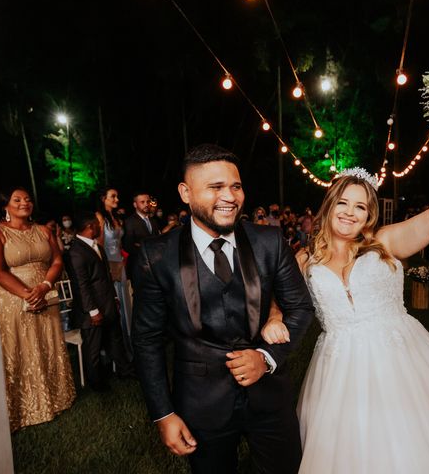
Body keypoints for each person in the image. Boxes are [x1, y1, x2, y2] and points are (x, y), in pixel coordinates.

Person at [263, 118, 429, 473]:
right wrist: (275, 316)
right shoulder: (305, 258)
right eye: (343, 203)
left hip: (400, 356)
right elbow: (279, 295)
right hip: (339, 369)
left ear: (369, 214)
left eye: (360, 206)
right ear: (329, 205)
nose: (350, 213)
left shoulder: (384, 242)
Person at [131, 144, 315, 474]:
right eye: (215, 187)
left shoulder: (269, 242)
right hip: (201, 402)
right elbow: (147, 341)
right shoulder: (155, 255)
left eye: (236, 186)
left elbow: (301, 306)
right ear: (185, 193)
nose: (229, 196)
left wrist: (266, 357)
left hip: (270, 399)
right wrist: (163, 413)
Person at [0, 187, 75, 431]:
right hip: (13, 299)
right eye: (16, 199)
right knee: (20, 348)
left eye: (27, 199)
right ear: (5, 205)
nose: (24, 203)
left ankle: (55, 398)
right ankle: (22, 409)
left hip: (45, 294)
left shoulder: (43, 230)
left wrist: (45, 286)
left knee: (46, 344)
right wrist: (28, 294)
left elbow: (57, 260)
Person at [64, 211, 134, 391]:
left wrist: (114, 297)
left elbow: (105, 277)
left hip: (108, 303)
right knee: (93, 348)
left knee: (115, 339)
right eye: (98, 225)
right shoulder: (75, 252)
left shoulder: (98, 247)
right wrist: (93, 311)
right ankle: (96, 383)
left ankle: (124, 370)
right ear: (89, 227)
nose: (100, 228)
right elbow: (82, 285)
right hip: (92, 310)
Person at [95, 187, 133, 361]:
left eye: (117, 196)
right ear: (103, 198)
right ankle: (114, 352)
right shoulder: (99, 217)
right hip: (108, 266)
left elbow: (119, 243)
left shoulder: (116, 217)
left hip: (120, 264)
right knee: (114, 308)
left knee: (126, 306)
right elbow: (99, 245)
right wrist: (107, 269)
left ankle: (129, 346)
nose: (117, 199)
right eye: (113, 196)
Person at [122, 191, 161, 280]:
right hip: (138, 267)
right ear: (135, 205)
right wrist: (146, 248)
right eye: (142, 202)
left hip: (154, 267)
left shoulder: (153, 221)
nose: (146, 204)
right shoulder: (129, 222)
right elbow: (128, 246)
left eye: (148, 202)